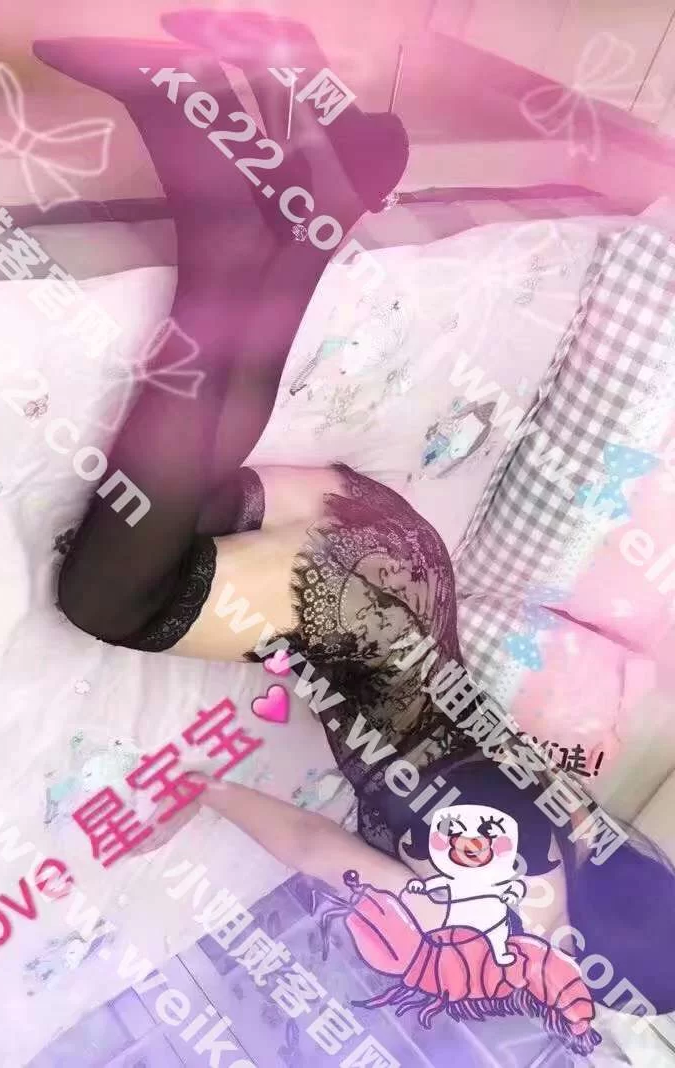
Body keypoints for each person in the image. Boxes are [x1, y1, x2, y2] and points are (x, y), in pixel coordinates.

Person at [34, 9, 675, 1024]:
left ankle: (315, 177)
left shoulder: (574, 818)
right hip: (340, 604)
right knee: (105, 599)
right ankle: (226, 208)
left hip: (402, 565)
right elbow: (309, 845)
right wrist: (201, 795)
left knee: (171, 490)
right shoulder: (470, 912)